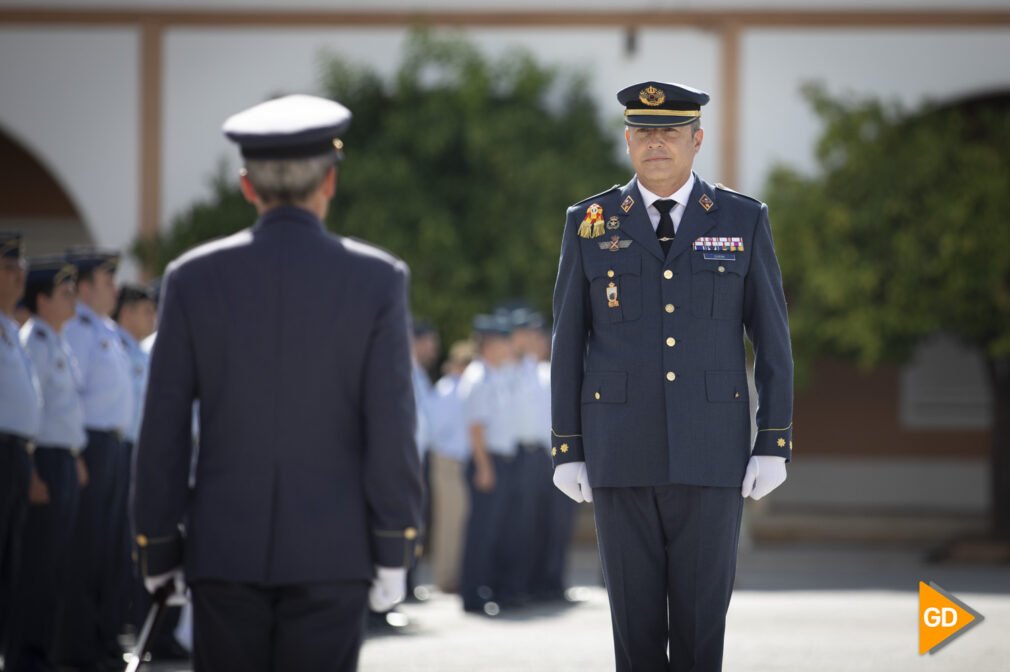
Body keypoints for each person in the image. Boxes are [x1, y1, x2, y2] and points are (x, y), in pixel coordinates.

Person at [132, 94, 423, 672]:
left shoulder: (190, 278)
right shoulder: (377, 280)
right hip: (333, 554)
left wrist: (158, 545)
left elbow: (162, 428)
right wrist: (395, 545)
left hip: (223, 553)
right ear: (330, 182)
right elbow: (390, 426)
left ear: (247, 185)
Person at [550, 81, 794, 671]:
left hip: (712, 454)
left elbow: (772, 338)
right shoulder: (591, 220)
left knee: (700, 628)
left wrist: (774, 441)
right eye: (643, 131)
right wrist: (567, 448)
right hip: (619, 452)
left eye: (670, 131)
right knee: (633, 632)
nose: (656, 143)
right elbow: (568, 341)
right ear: (628, 138)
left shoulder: (742, 218)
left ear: (696, 139)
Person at [6, 256, 88, 672]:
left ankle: (44, 652)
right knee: (35, 566)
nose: (73, 299)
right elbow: (32, 416)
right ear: (42, 300)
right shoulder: (33, 341)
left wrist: (75, 457)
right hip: (40, 461)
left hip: (61, 460)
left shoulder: (55, 341)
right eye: (64, 293)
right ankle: (26, 656)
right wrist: (35, 469)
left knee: (56, 563)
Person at [57, 247, 134, 670]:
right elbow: (72, 396)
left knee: (111, 549)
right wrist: (79, 451)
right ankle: (79, 646)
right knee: (86, 551)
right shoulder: (78, 332)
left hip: (115, 447)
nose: (115, 289)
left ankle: (105, 640)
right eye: (106, 282)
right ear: (84, 287)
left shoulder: (104, 329)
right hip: (91, 446)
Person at [457, 313, 518, 615]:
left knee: (494, 531)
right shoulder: (478, 377)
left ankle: (486, 588)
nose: (510, 347)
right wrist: (484, 467)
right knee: (481, 532)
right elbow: (476, 428)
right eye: (504, 342)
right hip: (487, 461)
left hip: (499, 460)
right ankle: (472, 595)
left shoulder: (496, 374)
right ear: (491, 345)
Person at [0, 232, 41, 655]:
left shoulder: (12, 329)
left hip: (16, 454)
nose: (18, 277)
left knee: (13, 562)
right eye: (8, 268)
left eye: (20, 269)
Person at [426, 339, 474, 593]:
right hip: (447, 461)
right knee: (449, 522)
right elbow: (436, 430)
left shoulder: (459, 388)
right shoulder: (446, 390)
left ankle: (454, 575)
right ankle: (445, 578)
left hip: (459, 461)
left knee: (460, 520)